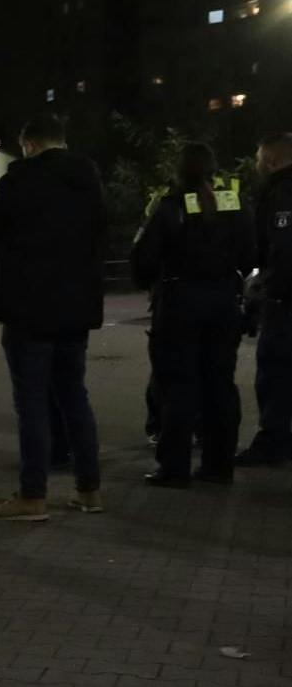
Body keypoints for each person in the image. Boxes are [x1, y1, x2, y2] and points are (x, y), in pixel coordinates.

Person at [0, 114, 106, 521]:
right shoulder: (90, 181)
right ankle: (89, 490)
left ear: (29, 145)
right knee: (74, 398)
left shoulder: (21, 179)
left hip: (28, 311)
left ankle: (33, 495)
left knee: (32, 404)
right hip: (76, 310)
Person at [131, 143, 256, 486]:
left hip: (179, 304)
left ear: (178, 171)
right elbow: (250, 254)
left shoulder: (169, 207)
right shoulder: (234, 203)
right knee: (220, 386)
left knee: (177, 386)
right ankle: (219, 465)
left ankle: (174, 467)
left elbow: (143, 260)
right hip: (223, 304)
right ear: (213, 171)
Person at [237, 133, 292, 466]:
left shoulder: (281, 192)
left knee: (274, 371)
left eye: (259, 157)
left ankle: (274, 441)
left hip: (285, 302)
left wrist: (269, 286)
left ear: (272, 160)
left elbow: (284, 247)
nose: (256, 164)